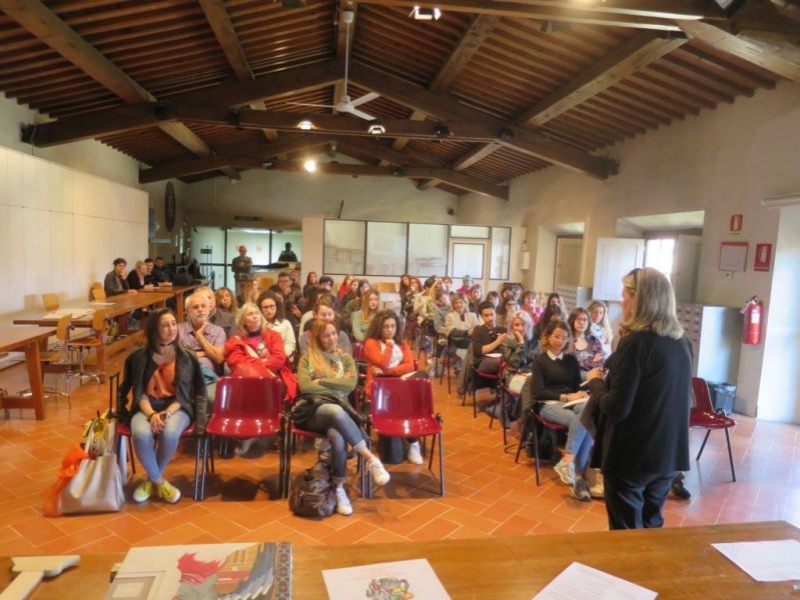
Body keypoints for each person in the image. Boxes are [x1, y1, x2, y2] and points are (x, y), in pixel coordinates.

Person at [585, 267, 692, 529]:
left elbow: (616, 407)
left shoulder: (637, 343)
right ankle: (649, 571)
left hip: (634, 454)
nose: (622, 302)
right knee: (651, 525)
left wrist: (596, 382)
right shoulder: (682, 342)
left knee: (626, 533)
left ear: (640, 299)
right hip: (667, 453)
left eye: (625, 295)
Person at [294, 319, 390, 516]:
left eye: (334, 334)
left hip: (337, 416)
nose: (332, 338)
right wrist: (336, 385)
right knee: (336, 410)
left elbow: (350, 385)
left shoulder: (345, 359)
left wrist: (321, 380)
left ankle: (339, 489)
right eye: (326, 335)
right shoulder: (307, 359)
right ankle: (370, 458)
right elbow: (306, 387)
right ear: (318, 339)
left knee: (338, 439)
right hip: (312, 412)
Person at [123, 308, 207, 504]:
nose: (172, 329)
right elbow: (138, 392)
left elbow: (194, 391)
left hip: (177, 406)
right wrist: (152, 414)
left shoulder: (187, 356)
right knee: (141, 434)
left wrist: (167, 413)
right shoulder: (137, 357)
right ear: (154, 329)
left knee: (169, 434)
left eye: (173, 324)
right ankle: (159, 481)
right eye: (165, 325)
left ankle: (151, 480)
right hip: (147, 406)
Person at [531, 320, 592, 501]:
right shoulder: (540, 361)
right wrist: (566, 397)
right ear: (548, 337)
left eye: (564, 338)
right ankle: (578, 476)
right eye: (556, 336)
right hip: (549, 403)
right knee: (579, 421)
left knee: (589, 415)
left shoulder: (571, 360)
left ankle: (571, 467)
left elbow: (574, 385)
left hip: (572, 400)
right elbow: (538, 391)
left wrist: (580, 392)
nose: (560, 341)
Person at [225, 302, 296, 455]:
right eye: (250, 314)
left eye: (256, 313)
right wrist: (263, 362)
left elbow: (278, 359)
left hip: (274, 377)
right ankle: (249, 431)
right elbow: (235, 362)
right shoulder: (236, 340)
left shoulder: (273, 335)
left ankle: (267, 429)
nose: (255, 316)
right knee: (247, 389)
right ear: (243, 320)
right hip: (247, 381)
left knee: (273, 387)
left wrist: (253, 364)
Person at [362, 310, 425, 465]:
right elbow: (382, 361)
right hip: (380, 388)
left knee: (420, 377)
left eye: (393, 326)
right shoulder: (371, 343)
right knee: (405, 401)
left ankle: (413, 444)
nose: (390, 330)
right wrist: (389, 346)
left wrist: (388, 372)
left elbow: (409, 365)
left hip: (398, 385)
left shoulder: (402, 343)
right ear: (379, 327)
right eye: (386, 327)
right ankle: (412, 441)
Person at [176, 292, 226, 388]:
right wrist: (205, 353)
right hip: (185, 374)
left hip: (208, 378)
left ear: (209, 309)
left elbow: (219, 358)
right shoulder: (178, 330)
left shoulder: (218, 331)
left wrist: (200, 336)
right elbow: (175, 356)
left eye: (203, 306)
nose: (200, 310)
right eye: (195, 307)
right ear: (187, 311)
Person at [567, 307, 605, 380]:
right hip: (576, 376)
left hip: (595, 374)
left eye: (585, 320)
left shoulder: (594, 340)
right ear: (572, 321)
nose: (582, 323)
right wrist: (591, 361)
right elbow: (572, 364)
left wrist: (585, 363)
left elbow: (601, 361)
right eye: (578, 319)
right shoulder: (567, 341)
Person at [258, 290, 297, 360]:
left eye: (271, 306)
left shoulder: (285, 323)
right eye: (265, 307)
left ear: (277, 306)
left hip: (283, 360)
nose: (269, 310)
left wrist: (277, 356)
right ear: (260, 309)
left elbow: (290, 345)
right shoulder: (257, 325)